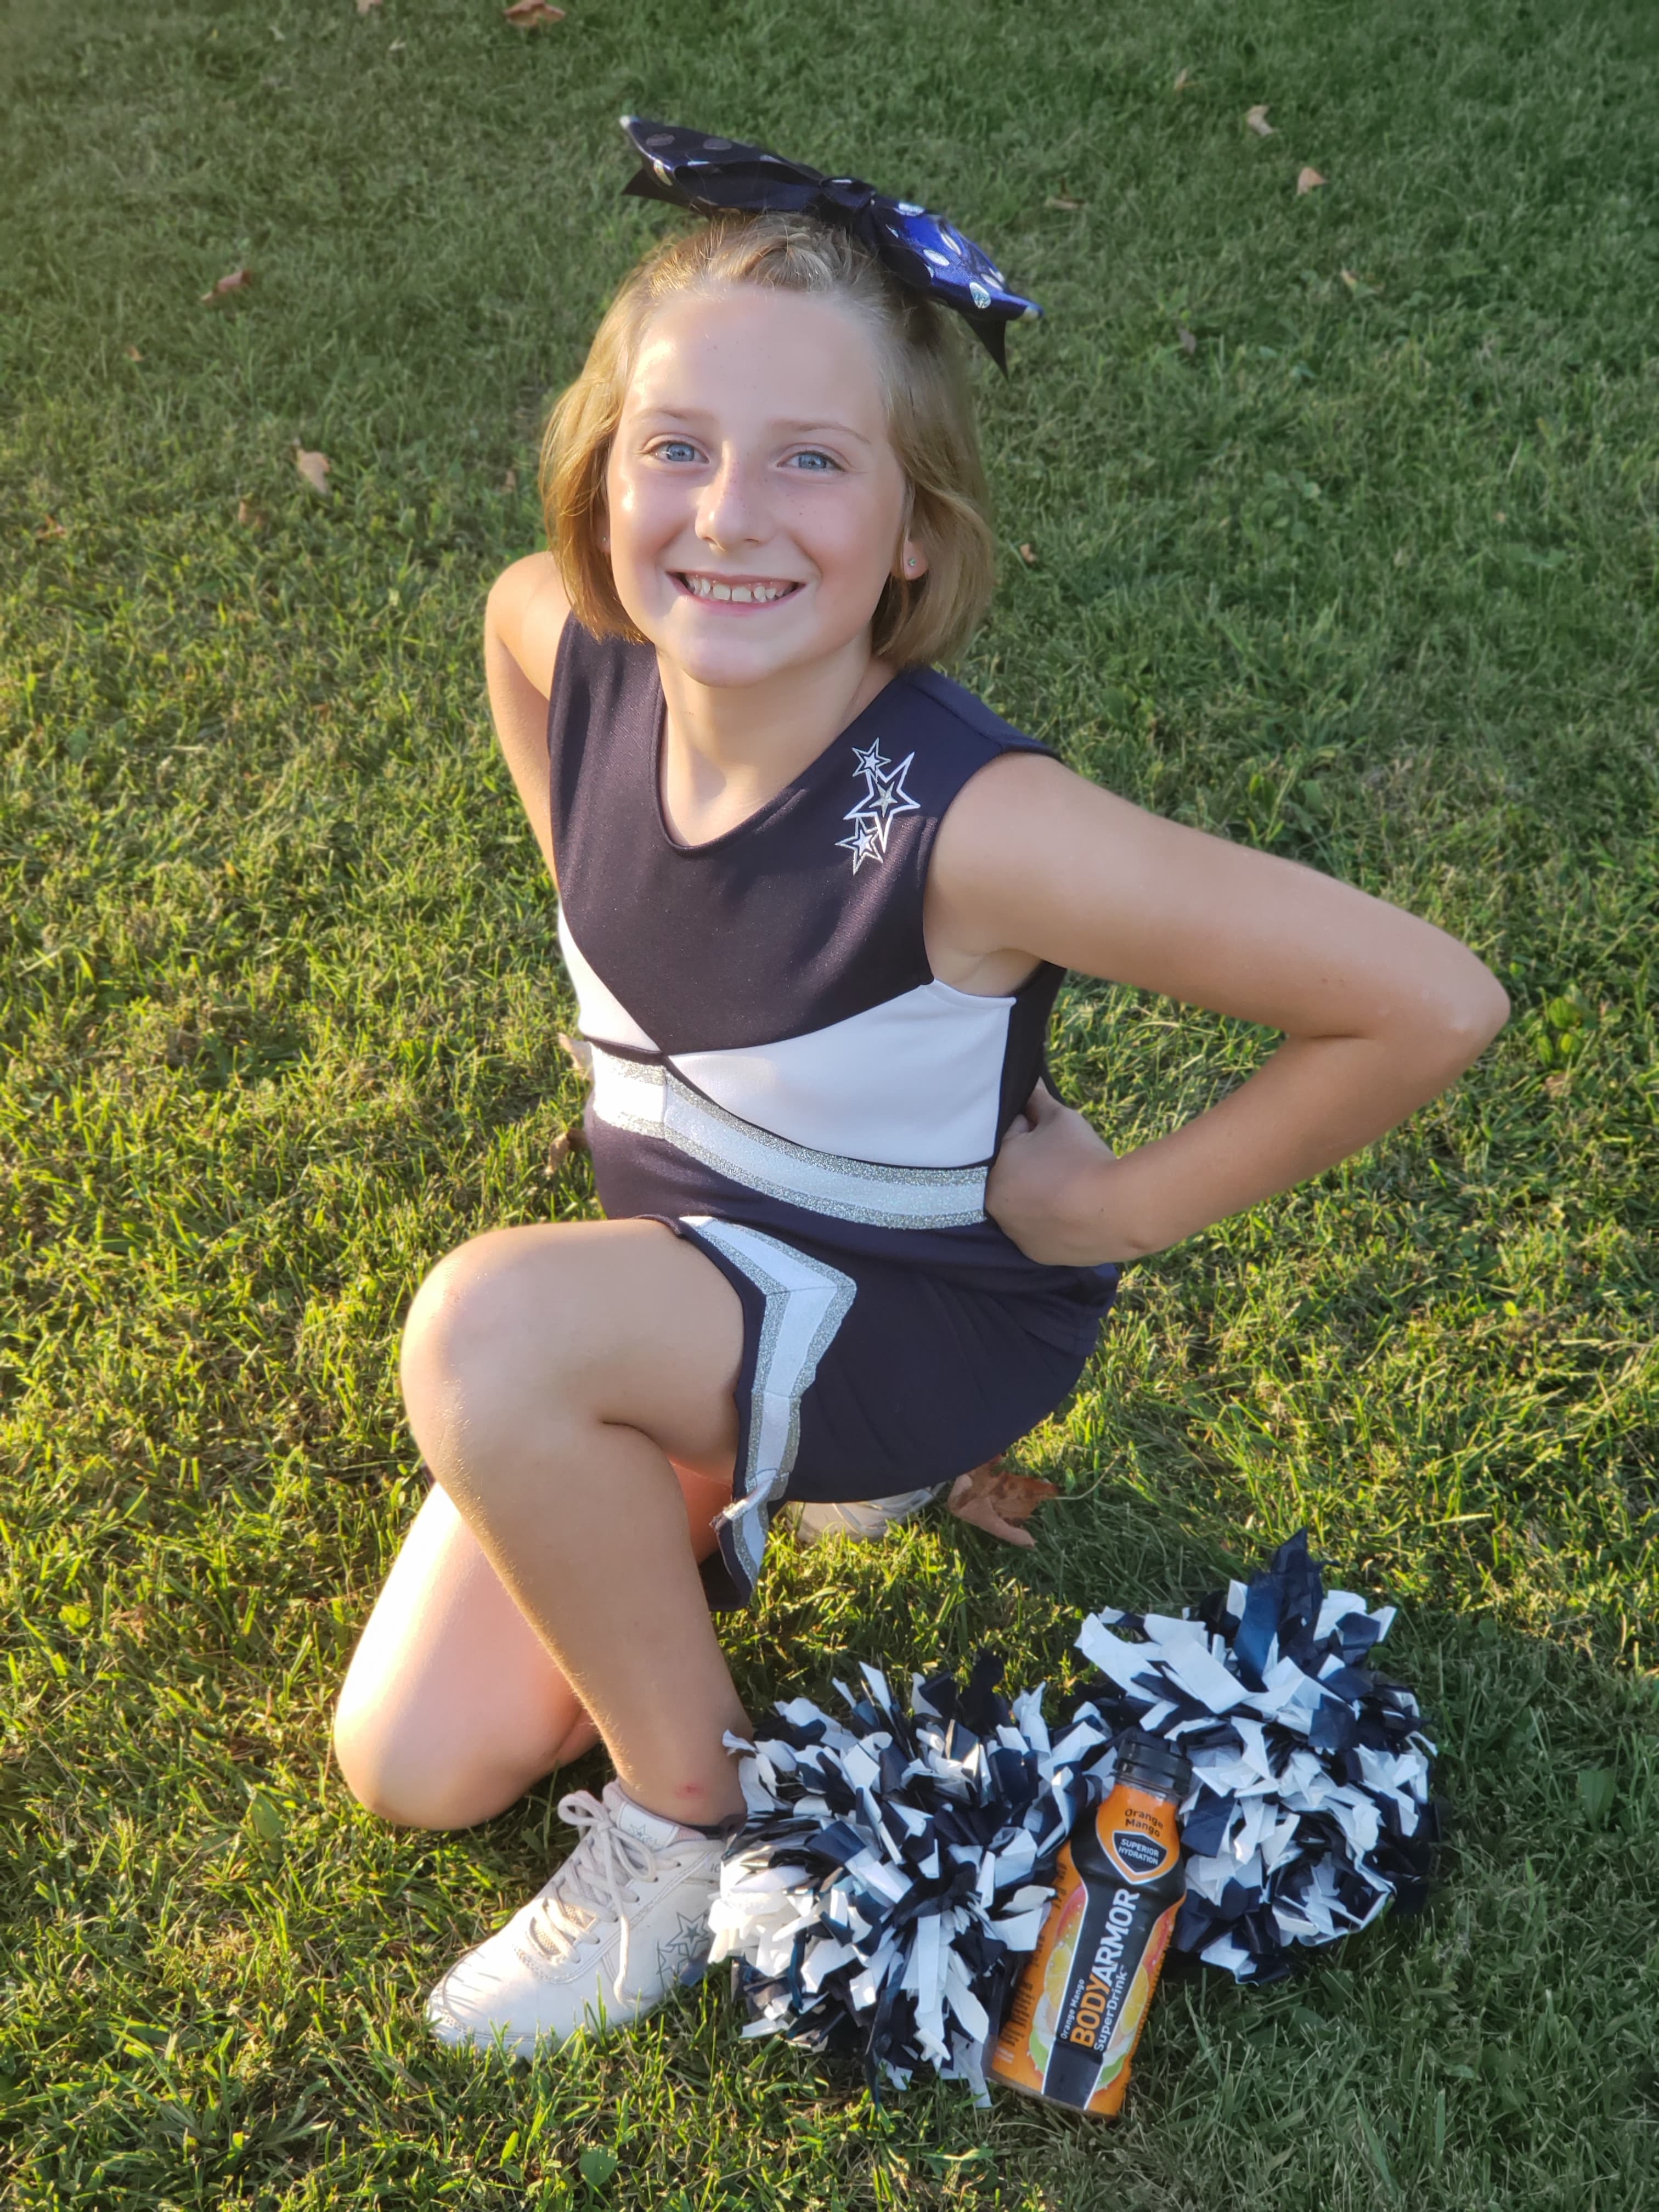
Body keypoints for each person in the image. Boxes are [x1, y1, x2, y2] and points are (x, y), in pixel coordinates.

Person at [330, 122, 1508, 2059]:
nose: (731, 513)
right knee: (413, 1762)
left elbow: (1426, 1003)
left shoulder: (979, 827)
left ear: (914, 532)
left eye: (814, 459)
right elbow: (529, 679)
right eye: (676, 447)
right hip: (701, 1275)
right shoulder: (568, 640)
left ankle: (686, 1829)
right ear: (599, 475)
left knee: (486, 1330)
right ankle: (677, 1456)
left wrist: (1112, 1212)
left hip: (913, 1319)